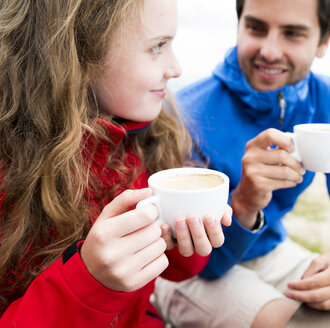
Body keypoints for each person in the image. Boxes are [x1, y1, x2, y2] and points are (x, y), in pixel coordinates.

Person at [154, 0, 330, 327]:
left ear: (324, 42)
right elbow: (194, 262)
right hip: (188, 270)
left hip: (271, 251)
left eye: (293, 34)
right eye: (256, 28)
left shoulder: (329, 101)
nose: (269, 50)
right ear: (239, 25)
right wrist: (245, 202)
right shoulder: (184, 113)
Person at [0, 0, 231, 327]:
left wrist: (181, 238)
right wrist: (90, 283)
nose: (176, 68)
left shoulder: (144, 140)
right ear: (79, 50)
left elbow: (171, 274)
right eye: (157, 46)